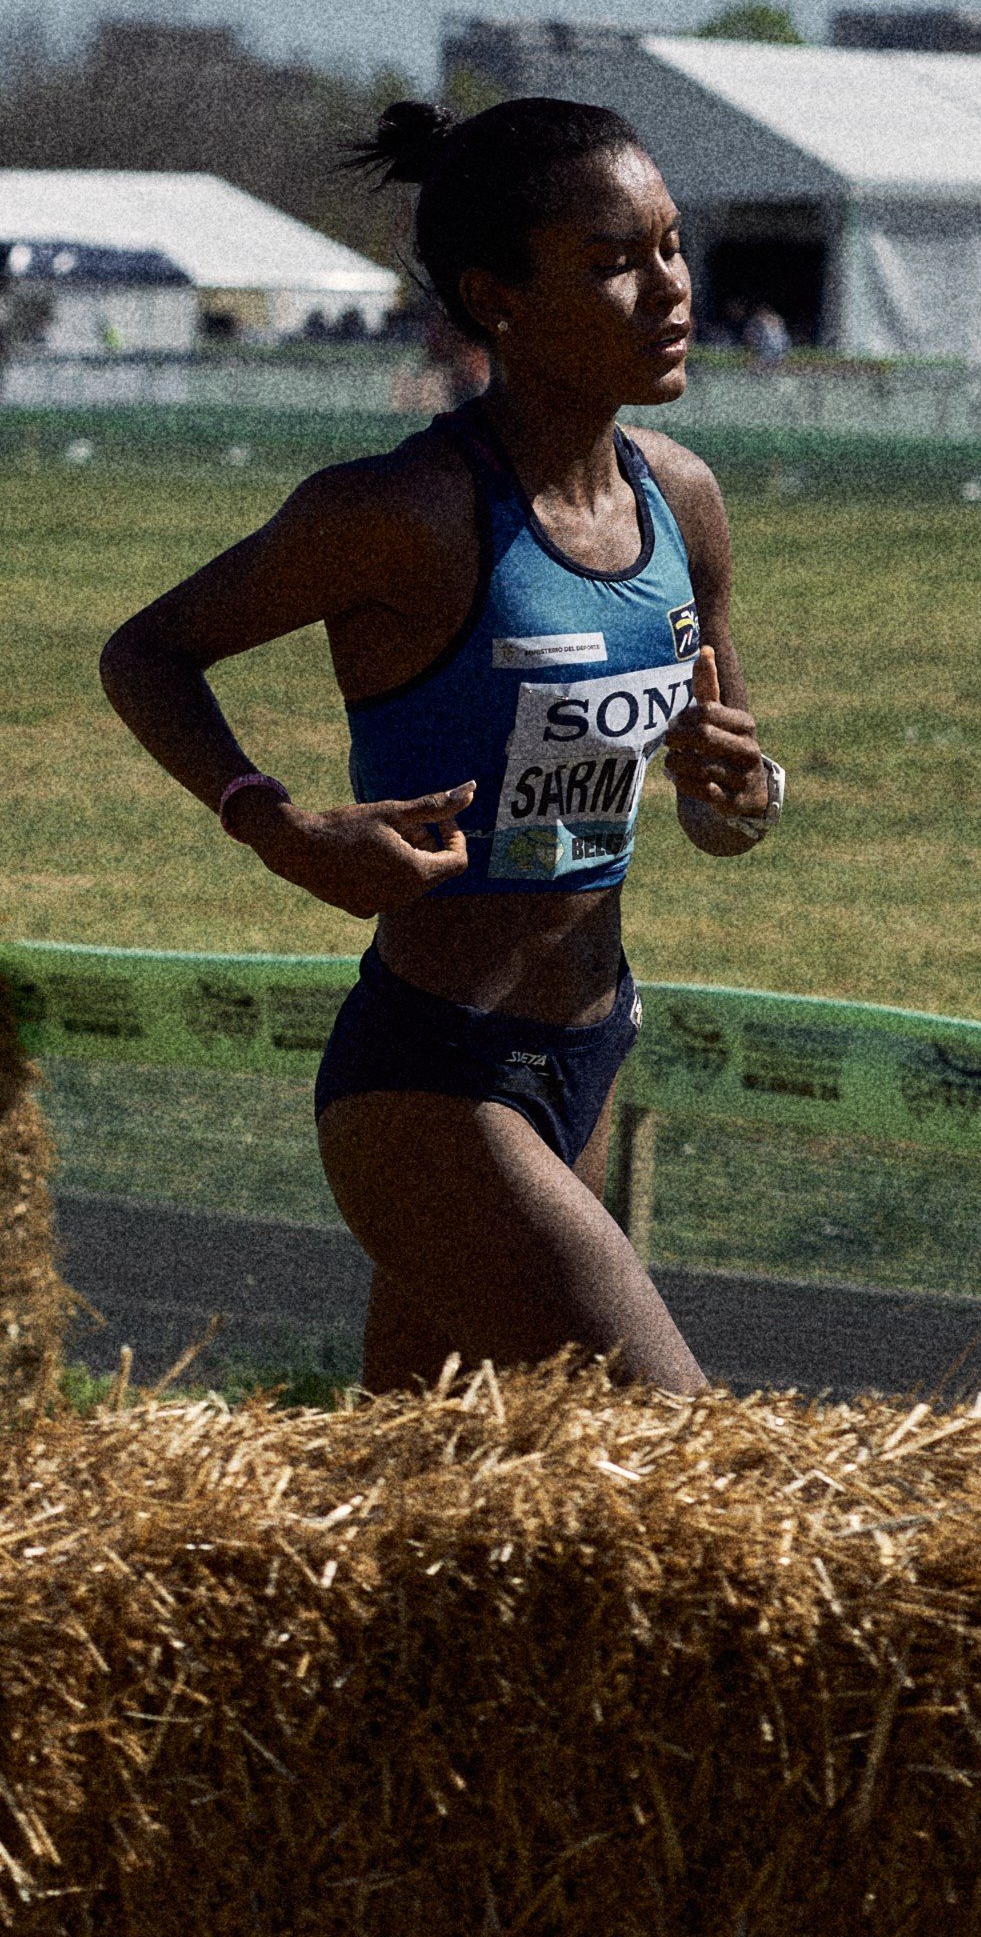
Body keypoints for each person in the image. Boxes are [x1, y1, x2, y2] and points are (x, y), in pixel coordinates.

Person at [101, 96, 785, 1397]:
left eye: (672, 246)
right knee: (696, 1458)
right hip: (437, 1081)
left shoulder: (681, 500)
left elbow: (727, 803)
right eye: (611, 263)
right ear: (497, 297)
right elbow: (147, 652)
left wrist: (739, 792)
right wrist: (277, 824)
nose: (669, 290)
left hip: (589, 1052)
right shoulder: (401, 513)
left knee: (424, 1499)